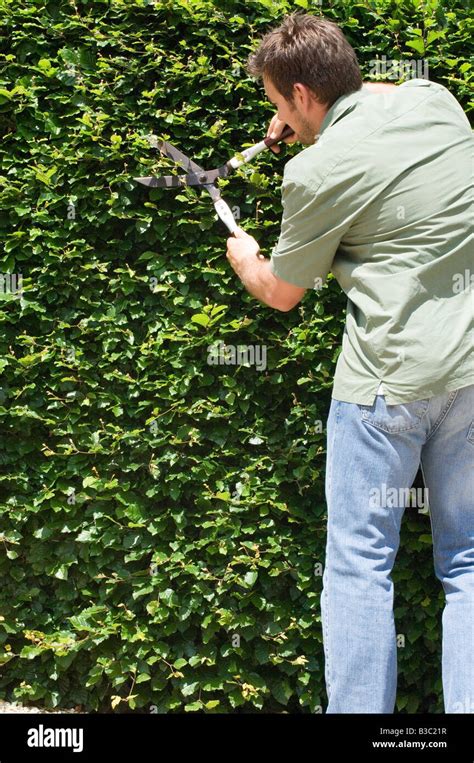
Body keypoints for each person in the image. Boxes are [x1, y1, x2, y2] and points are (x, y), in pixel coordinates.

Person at [225, 11, 473, 713]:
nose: (278, 118)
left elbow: (282, 292)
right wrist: (309, 117)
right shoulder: (437, 104)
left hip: (384, 391)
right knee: (469, 560)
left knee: (361, 567)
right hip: (470, 374)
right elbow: (381, 93)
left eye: (278, 103)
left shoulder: (315, 173)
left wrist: (246, 256)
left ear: (302, 93)